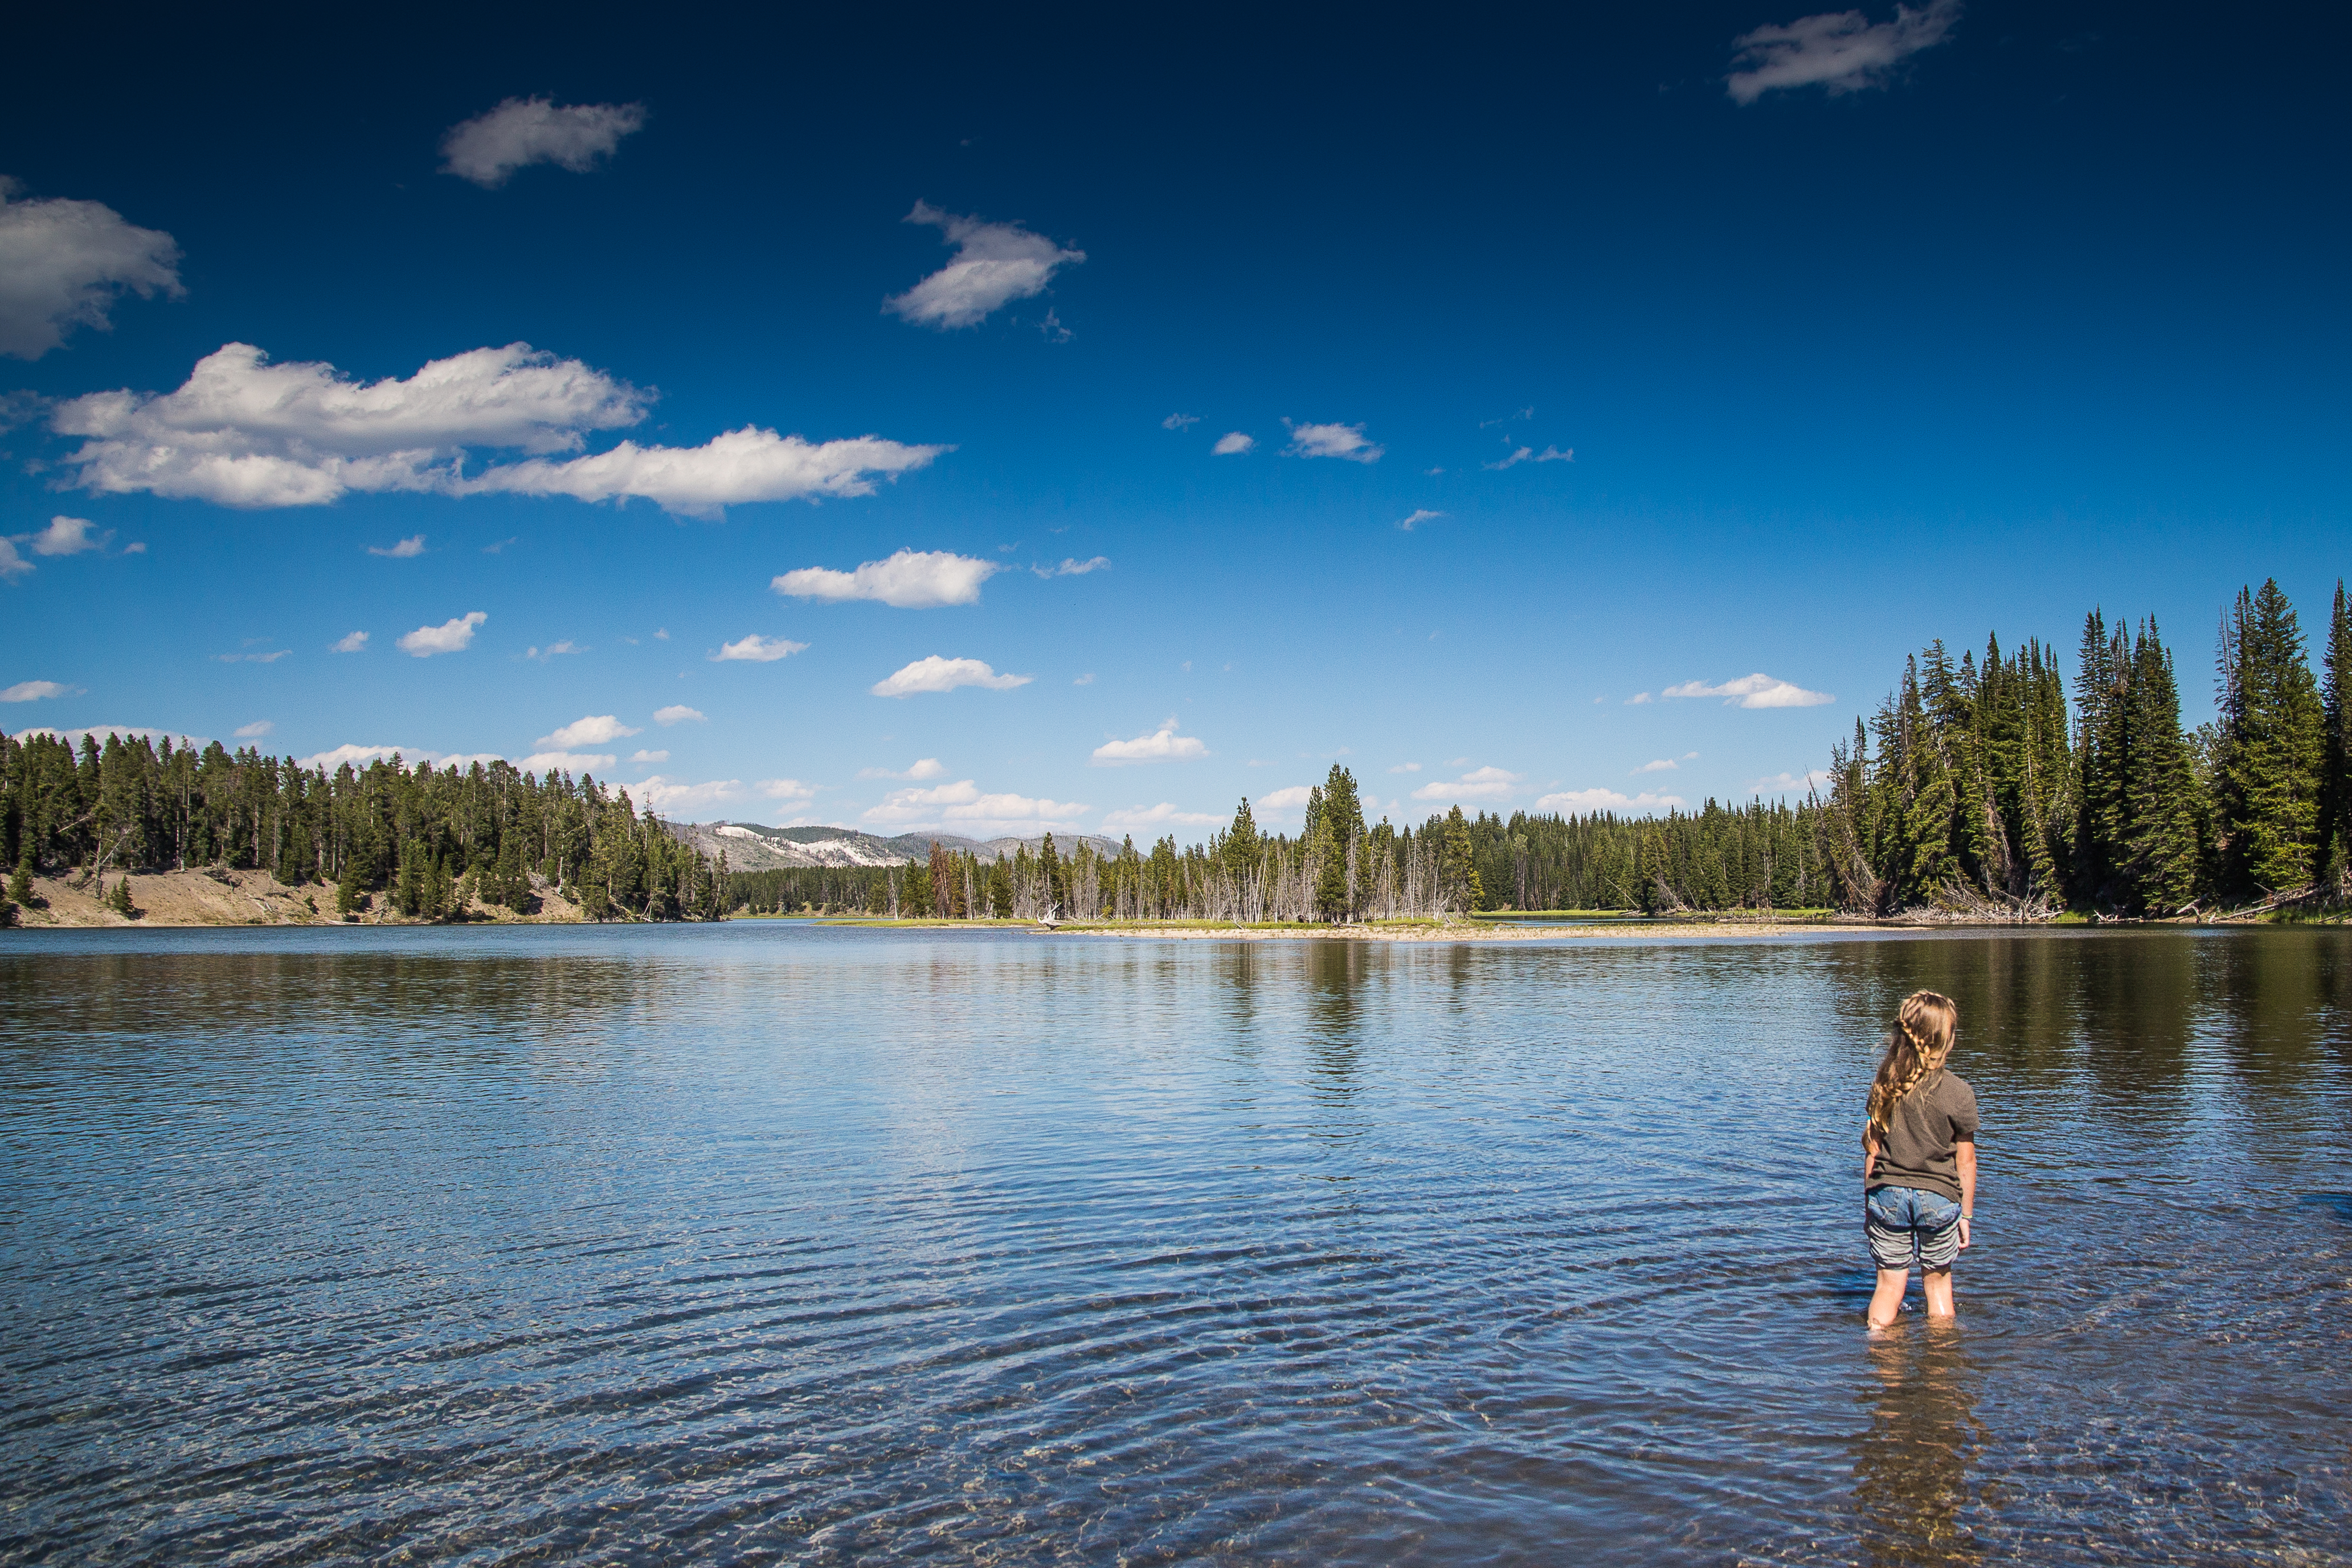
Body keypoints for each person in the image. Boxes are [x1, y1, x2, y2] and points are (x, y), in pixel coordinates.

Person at [1862, 990, 1978, 1328]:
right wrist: (1966, 1215)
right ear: (1946, 1040)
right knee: (1939, 1287)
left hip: (1888, 1195)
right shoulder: (1959, 1092)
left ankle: (1881, 1360)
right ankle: (1940, 1369)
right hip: (1939, 1199)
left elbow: (1872, 1152)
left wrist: (1869, 1206)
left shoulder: (1884, 1086)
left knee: (1888, 1287)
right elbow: (1966, 1163)